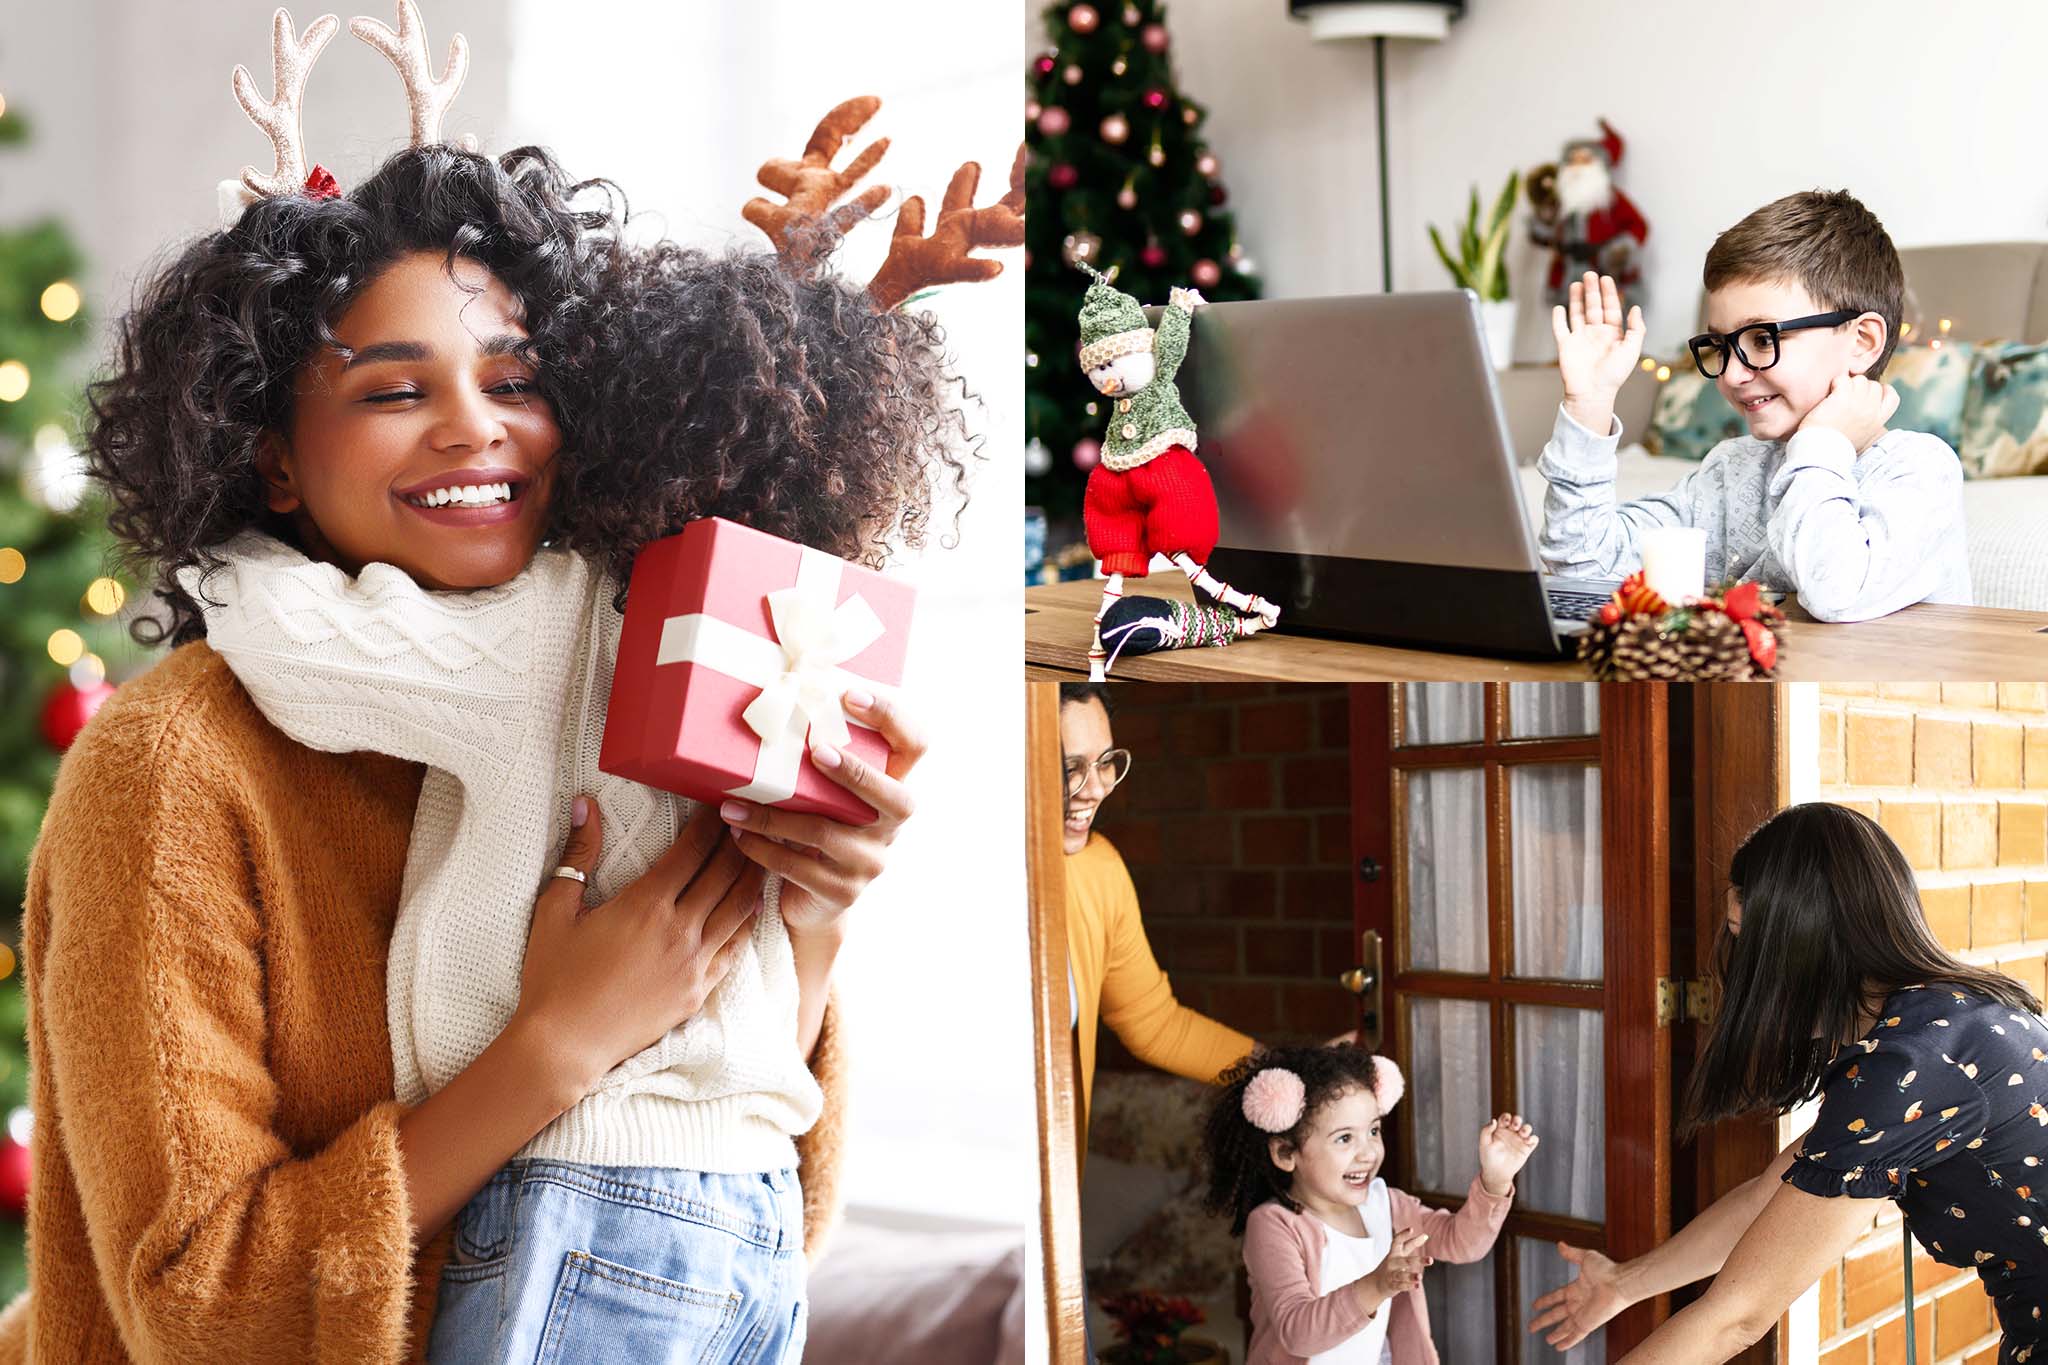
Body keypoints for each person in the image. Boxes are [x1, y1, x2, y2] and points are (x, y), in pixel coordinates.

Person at [11, 35, 966, 1364]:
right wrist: (550, 1049)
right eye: (395, 391)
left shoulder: (617, 660)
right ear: (275, 459)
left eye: (517, 381)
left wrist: (804, 912)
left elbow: (705, 1229)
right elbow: (195, 1299)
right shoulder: (171, 765)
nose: (477, 428)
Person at [1529, 803, 2048, 1363]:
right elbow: (1768, 1198)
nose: (1738, 967)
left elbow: (1735, 1319)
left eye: (1742, 939)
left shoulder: (1911, 1067)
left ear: (1798, 945)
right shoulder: (1959, 1015)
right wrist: (1624, 1284)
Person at [1537, 189, 1970, 622]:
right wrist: (1589, 404)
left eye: (1762, 339)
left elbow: (1836, 592)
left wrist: (1821, 444)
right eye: (1721, 346)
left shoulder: (1919, 469)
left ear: (1862, 341)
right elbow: (1584, 567)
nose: (1730, 375)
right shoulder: (1731, 471)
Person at [1203, 1044, 1538, 1364]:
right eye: (1345, 1138)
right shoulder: (1274, 1225)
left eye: (1373, 1131)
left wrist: (1495, 1181)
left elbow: (1462, 1243)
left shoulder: (1388, 1206)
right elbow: (1297, 1332)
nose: (1368, 1152)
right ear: (1285, 1153)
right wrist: (1377, 1285)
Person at [1059, 683, 1259, 1137]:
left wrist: (1287, 1070)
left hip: (1048, 1173)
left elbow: (1155, 1023)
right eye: (1070, 768)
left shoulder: (1099, 869)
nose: (1096, 789)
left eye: (1106, 762)